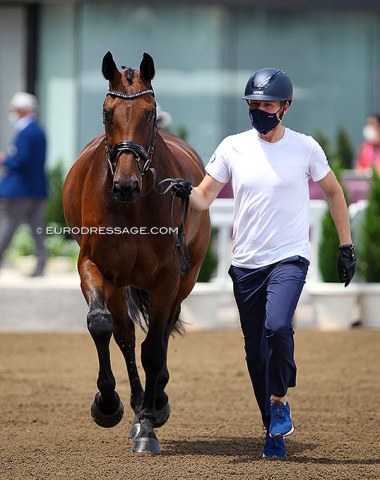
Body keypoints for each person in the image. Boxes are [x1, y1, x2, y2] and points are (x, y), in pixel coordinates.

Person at [173, 68, 356, 458]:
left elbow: (334, 193)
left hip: (289, 257)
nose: (259, 110)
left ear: (285, 108)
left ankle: (279, 399)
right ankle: (272, 431)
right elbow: (204, 198)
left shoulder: (306, 148)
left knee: (277, 327)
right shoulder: (232, 147)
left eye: (267, 105)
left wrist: (346, 247)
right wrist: (181, 191)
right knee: (255, 353)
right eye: (253, 105)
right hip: (246, 265)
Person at [0, 92, 48, 277]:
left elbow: (22, 160)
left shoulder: (26, 131)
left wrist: (5, 159)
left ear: (20, 110)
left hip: (19, 190)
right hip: (36, 188)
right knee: (38, 230)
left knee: (7, 226)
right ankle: (41, 265)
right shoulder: (38, 130)